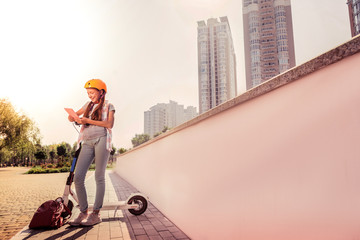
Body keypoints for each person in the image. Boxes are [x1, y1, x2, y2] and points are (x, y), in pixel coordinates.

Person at [67, 79, 115, 226]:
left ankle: (95, 214)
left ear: (101, 93)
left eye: (92, 93)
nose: (90, 96)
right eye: (88, 93)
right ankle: (83, 212)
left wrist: (88, 120)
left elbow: (109, 124)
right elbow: (73, 115)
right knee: (78, 177)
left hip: (101, 139)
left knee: (99, 176)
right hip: (86, 142)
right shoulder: (87, 105)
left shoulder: (109, 105)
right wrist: (73, 117)